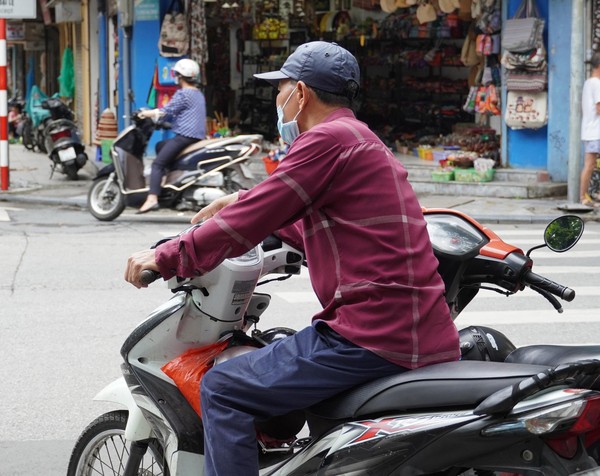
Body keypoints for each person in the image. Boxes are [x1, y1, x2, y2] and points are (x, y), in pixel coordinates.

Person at [123, 41, 460, 476]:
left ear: (301, 93)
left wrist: (164, 257)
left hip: (370, 334)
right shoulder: (363, 139)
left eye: (280, 89)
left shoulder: (326, 139)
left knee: (224, 388)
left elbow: (251, 219)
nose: (277, 101)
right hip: (413, 329)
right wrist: (242, 203)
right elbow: (309, 219)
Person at [135, 58, 207, 214]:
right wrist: (165, 121)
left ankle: (152, 197)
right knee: (160, 146)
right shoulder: (198, 93)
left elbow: (166, 111)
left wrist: (144, 114)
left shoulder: (184, 93)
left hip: (185, 136)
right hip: (195, 136)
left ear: (179, 76)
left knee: (157, 164)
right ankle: (166, 182)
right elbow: (176, 114)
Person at [580, 51, 600, 207]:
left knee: (592, 164)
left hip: (590, 129)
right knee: (590, 164)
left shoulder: (588, 83)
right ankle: (583, 197)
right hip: (595, 131)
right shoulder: (597, 83)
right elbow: (599, 108)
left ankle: (591, 194)